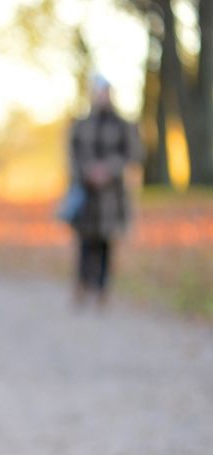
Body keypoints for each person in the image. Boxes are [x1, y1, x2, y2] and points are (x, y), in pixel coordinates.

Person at [68, 74, 143, 307]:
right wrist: (87, 172)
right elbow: (72, 155)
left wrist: (109, 170)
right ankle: (82, 283)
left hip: (111, 195)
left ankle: (102, 287)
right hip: (86, 194)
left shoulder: (123, 125)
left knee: (106, 243)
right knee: (84, 242)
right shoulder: (81, 124)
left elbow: (133, 155)